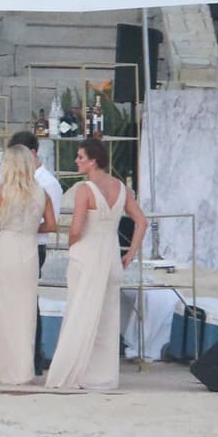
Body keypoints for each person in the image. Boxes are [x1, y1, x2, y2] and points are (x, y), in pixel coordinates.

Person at [46, 138, 147, 390]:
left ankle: (75, 371)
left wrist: (71, 244)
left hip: (87, 254)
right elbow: (141, 221)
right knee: (106, 316)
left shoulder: (84, 189)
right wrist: (131, 251)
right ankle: (102, 375)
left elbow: (77, 228)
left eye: (81, 157)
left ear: (93, 160)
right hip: (111, 254)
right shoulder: (120, 187)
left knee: (79, 311)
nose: (77, 161)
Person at [0, 145, 56, 385]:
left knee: (0, 306)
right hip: (28, 249)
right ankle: (21, 367)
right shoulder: (42, 193)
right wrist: (29, 229)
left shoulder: (4, 192)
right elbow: (50, 225)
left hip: (6, 247)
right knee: (24, 309)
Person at [7, 130, 65, 376]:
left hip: (34, 243)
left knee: (29, 300)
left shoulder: (47, 183)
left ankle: (34, 356)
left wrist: (24, 226)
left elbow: (51, 221)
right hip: (15, 242)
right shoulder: (16, 180)